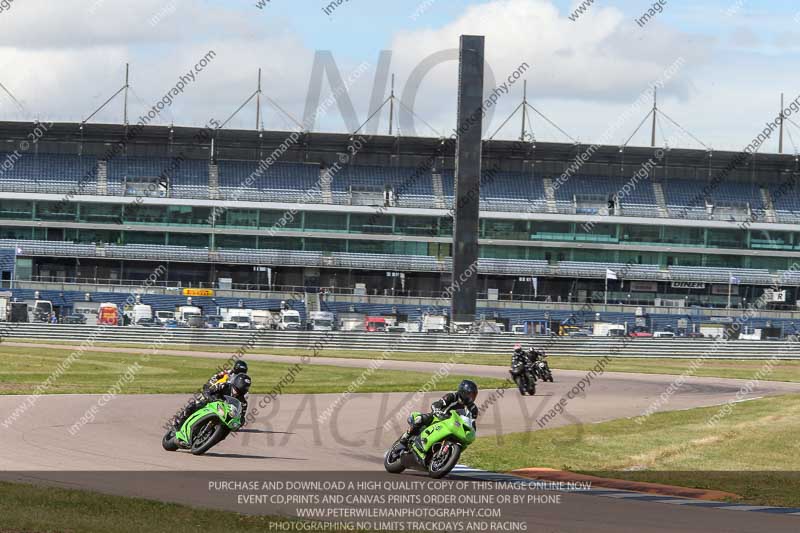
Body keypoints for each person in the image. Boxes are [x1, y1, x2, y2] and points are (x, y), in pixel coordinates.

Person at [397, 380, 479, 448]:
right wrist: (437, 410)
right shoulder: (452, 396)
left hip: (454, 427)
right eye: (470, 395)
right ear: (463, 392)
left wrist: (472, 432)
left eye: (474, 395)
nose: (472, 398)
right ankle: (406, 436)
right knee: (419, 419)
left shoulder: (473, 409)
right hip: (439, 418)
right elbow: (437, 404)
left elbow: (472, 423)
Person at [172, 373, 251, 432]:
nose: (236, 393)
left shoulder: (243, 402)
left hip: (223, 414)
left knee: (225, 430)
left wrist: (239, 423)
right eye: (236, 390)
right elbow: (208, 391)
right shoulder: (224, 386)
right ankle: (180, 419)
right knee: (198, 403)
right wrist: (211, 398)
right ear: (233, 384)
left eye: (240, 392)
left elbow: (241, 417)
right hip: (212, 402)